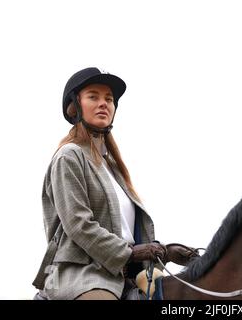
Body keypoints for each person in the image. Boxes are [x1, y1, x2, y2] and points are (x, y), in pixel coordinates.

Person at [32, 67, 198, 300]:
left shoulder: (113, 168)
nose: (104, 104)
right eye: (93, 96)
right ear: (74, 106)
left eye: (108, 99)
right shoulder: (68, 156)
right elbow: (79, 225)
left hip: (126, 274)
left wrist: (164, 250)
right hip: (83, 274)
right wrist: (131, 253)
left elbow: (126, 232)